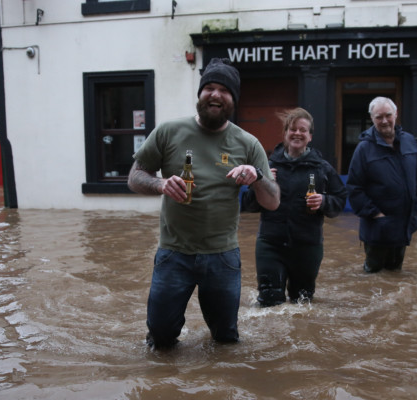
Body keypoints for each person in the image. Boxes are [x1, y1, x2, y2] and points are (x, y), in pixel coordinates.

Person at [128, 58, 280, 347]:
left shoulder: (248, 144)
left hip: (222, 256)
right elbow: (134, 177)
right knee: (160, 338)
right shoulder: (168, 131)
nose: (215, 94)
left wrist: (256, 175)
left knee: (225, 340)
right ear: (199, 95)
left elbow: (272, 202)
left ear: (233, 99)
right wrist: (160, 183)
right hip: (173, 254)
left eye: (224, 90)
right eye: (209, 87)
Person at [241, 108, 347, 307]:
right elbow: (247, 205)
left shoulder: (322, 168)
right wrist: (261, 183)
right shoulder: (267, 164)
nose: (297, 133)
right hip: (270, 244)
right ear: (285, 133)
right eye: (292, 129)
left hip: (308, 245)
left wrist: (323, 201)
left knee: (302, 305)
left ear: (310, 137)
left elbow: (340, 200)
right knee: (269, 302)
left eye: (303, 130)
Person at [346, 96, 417, 273]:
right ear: (372, 119)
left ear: (396, 114)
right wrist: (376, 214)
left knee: (395, 274)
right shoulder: (364, 149)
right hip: (378, 227)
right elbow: (354, 187)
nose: (384, 121)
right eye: (378, 117)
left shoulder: (409, 141)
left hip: (403, 224)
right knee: (373, 276)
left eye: (388, 115)